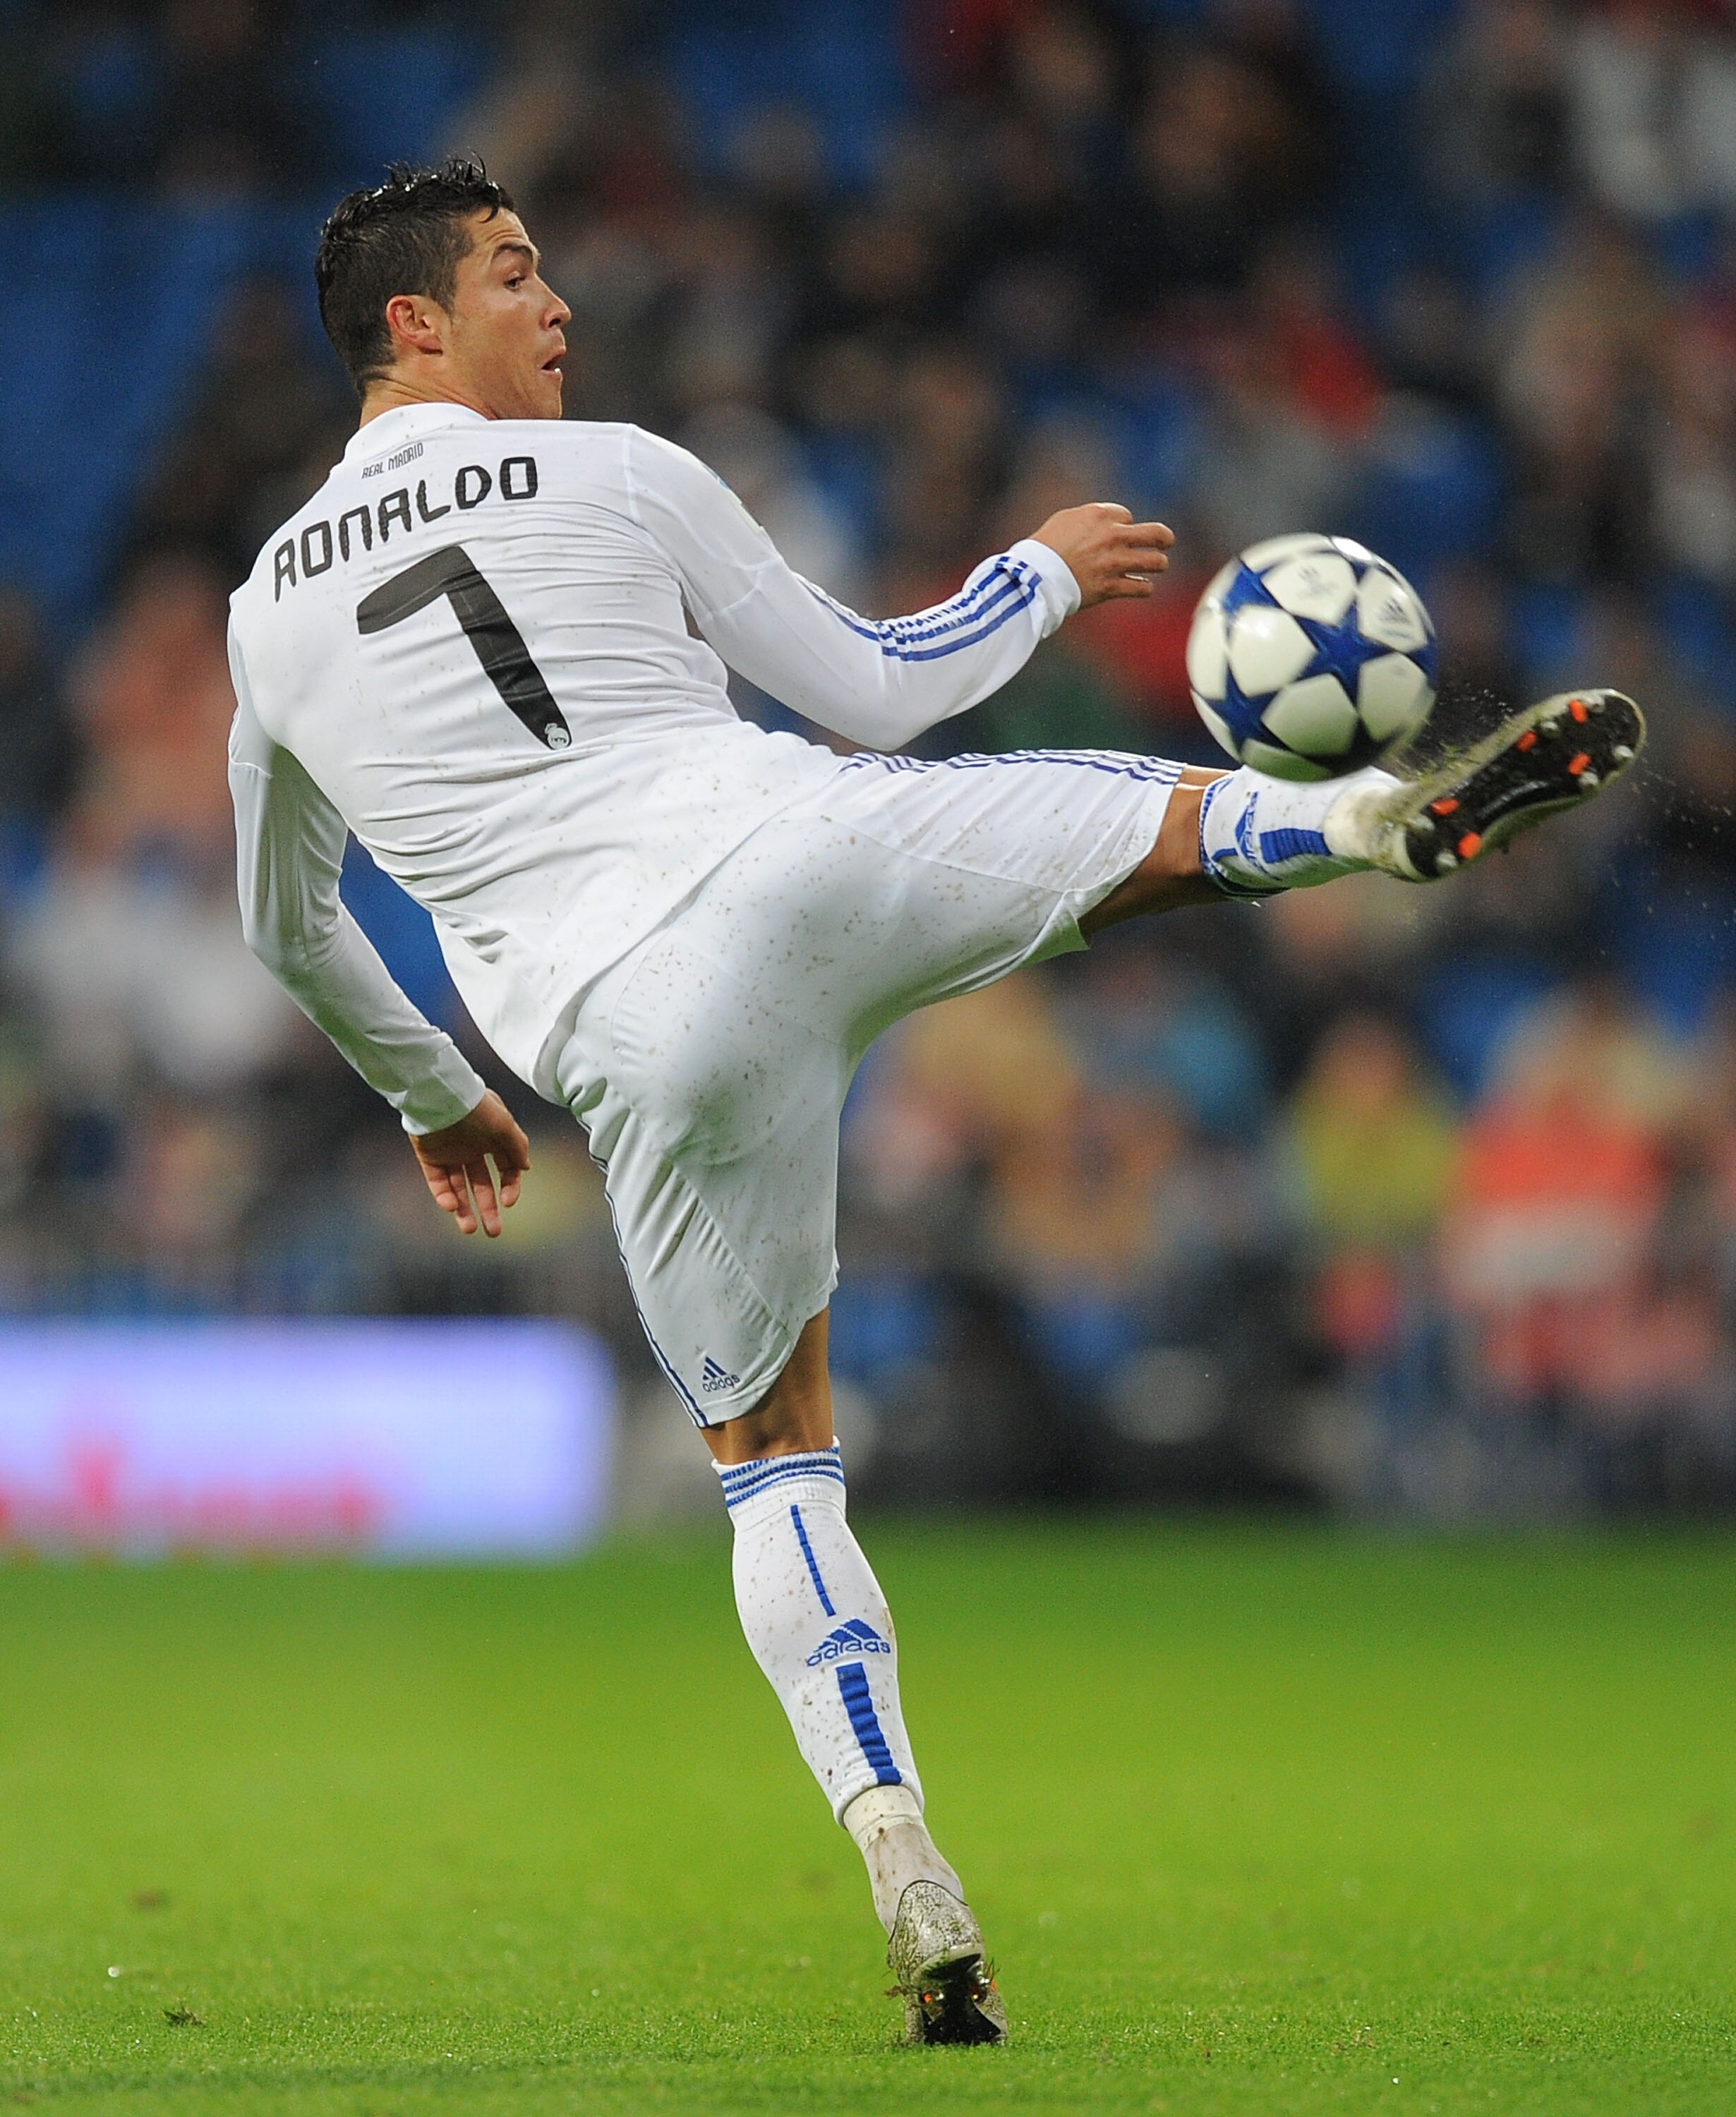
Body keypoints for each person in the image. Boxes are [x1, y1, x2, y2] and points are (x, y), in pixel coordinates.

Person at [226, 158, 1644, 2045]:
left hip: (623, 1034)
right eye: (511, 272)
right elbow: (888, 689)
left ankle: (898, 1846)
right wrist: (1039, 568)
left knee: (773, 1464)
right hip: (790, 847)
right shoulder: (621, 470)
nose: (554, 304)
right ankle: (1371, 818)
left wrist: (434, 1096)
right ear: (413, 324)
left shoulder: (262, 620)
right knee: (1135, 821)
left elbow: (290, 925)